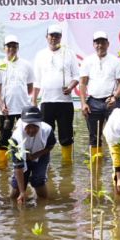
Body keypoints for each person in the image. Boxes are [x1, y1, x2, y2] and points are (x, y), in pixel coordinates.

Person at [32, 23, 80, 164]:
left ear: (61, 37)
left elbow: (77, 76)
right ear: (46, 37)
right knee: (46, 134)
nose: (54, 38)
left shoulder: (69, 53)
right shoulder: (40, 55)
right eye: (51, 35)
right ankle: (45, 163)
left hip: (65, 102)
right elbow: (37, 81)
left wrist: (70, 87)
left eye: (57, 35)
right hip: (46, 102)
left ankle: (67, 165)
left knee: (66, 136)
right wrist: (34, 100)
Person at [80, 30, 120, 162]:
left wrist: (115, 96)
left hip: (112, 101)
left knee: (117, 132)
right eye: (97, 42)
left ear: (108, 44)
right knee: (94, 135)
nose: (100, 45)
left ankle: (118, 163)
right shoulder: (87, 61)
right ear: (94, 45)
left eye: (103, 42)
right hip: (93, 102)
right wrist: (83, 103)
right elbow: (82, 83)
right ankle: (96, 165)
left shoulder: (115, 61)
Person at [0, 34, 35, 169]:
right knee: (4, 138)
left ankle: (25, 163)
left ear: (18, 47)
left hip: (23, 109)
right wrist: (2, 106)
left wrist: (22, 99)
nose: (11, 48)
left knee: (26, 137)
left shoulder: (26, 65)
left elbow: (30, 87)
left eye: (14, 46)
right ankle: (2, 167)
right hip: (6, 110)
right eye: (9, 46)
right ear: (4, 48)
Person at [10, 106, 55, 205]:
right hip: (22, 157)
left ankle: (42, 206)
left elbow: (50, 146)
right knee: (17, 189)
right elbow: (18, 166)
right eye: (28, 127)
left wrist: (36, 155)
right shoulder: (16, 137)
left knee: (38, 180)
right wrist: (22, 192)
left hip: (41, 154)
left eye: (34, 126)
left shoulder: (47, 130)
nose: (31, 130)